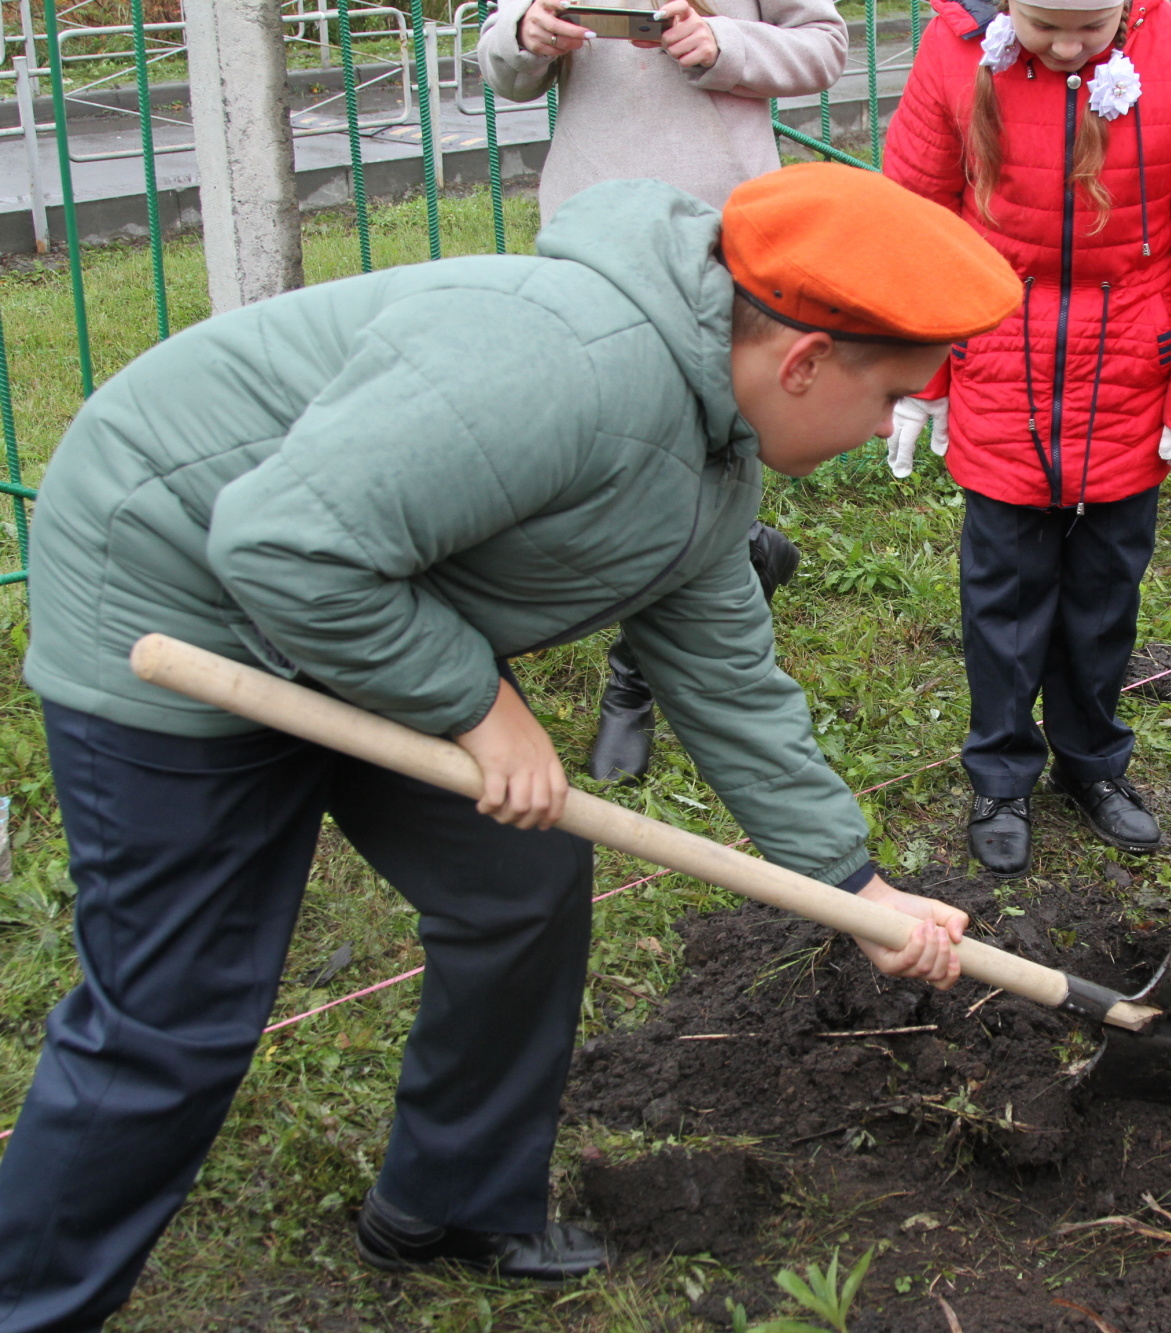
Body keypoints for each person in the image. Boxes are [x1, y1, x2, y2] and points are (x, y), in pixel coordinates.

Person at [0, 163, 1021, 1328]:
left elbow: (728, 681)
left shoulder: (711, 449)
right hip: (175, 590)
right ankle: (30, 1302)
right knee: (178, 1007)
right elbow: (283, 546)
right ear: (802, 362)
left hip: (373, 604)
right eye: (893, 397)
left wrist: (854, 885)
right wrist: (478, 704)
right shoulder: (568, 366)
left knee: (517, 885)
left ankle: (448, 1201)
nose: (894, 426)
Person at [880, 0, 1171, 877]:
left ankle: (1093, 763)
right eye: (1047, 26)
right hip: (998, 358)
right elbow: (915, 218)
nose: (1069, 48)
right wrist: (920, 377)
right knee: (1004, 592)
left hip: (1130, 364)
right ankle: (1002, 774)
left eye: (1090, 28)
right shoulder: (955, 51)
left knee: (1103, 591)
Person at [481, 0, 851, 781]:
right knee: (617, 450)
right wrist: (525, 37)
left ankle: (632, 687)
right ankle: (746, 547)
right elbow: (500, 60)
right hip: (589, 225)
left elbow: (823, 48)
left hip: (725, 228)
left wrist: (726, 44)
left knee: (695, 446)